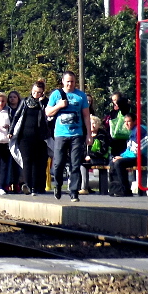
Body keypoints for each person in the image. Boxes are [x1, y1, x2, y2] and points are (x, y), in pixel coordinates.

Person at [46, 72, 90, 201]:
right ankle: (58, 185)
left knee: (75, 164)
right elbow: (48, 112)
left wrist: (88, 134)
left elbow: (86, 116)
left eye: (72, 81)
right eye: (68, 81)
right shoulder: (56, 94)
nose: (70, 84)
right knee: (58, 163)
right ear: (63, 81)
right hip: (60, 134)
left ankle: (74, 191)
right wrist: (59, 106)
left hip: (77, 134)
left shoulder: (80, 96)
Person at [9, 82, 50, 195]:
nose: (35, 94)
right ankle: (28, 186)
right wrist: (11, 131)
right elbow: (16, 116)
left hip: (40, 137)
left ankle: (38, 187)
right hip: (25, 136)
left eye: (38, 92)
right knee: (27, 161)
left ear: (42, 93)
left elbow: (49, 116)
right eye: (34, 92)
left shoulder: (45, 103)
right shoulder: (25, 102)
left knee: (39, 162)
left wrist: (42, 103)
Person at [109, 112, 147, 197]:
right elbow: (129, 149)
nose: (126, 124)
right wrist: (121, 156)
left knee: (119, 163)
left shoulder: (139, 130)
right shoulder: (133, 131)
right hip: (135, 156)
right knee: (113, 161)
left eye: (128, 121)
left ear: (134, 121)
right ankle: (116, 188)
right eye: (125, 122)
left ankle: (125, 189)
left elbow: (136, 151)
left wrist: (121, 158)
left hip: (142, 157)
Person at [80, 115, 111, 195]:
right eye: (90, 123)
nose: (92, 125)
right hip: (89, 159)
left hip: (101, 158)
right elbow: (82, 149)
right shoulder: (85, 135)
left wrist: (91, 155)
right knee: (80, 163)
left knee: (83, 165)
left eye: (94, 123)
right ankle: (82, 187)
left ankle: (84, 188)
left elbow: (103, 150)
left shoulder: (102, 135)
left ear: (98, 124)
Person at [105, 92, 131, 157]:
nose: (115, 102)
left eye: (116, 99)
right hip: (114, 137)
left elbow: (124, 109)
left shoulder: (124, 109)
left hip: (123, 135)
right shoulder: (113, 111)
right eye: (113, 100)